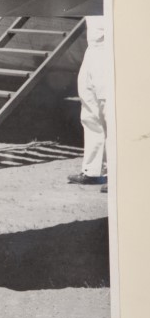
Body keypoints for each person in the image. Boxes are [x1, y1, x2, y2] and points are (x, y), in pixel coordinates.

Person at [67, 15, 108, 190]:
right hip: (92, 52)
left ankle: (117, 175)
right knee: (90, 114)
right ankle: (93, 171)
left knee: (111, 114)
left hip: (111, 51)